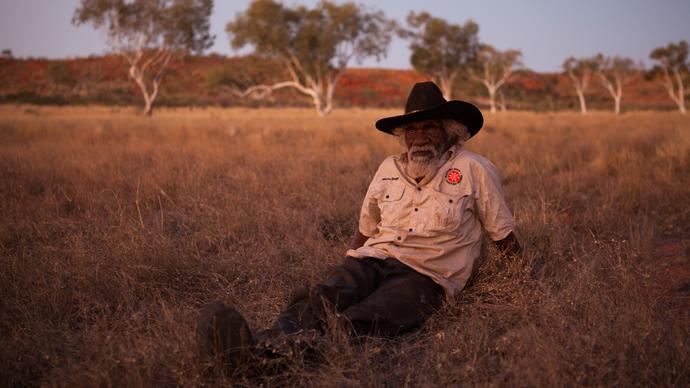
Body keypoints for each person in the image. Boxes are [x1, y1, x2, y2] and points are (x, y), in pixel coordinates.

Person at [197, 81, 520, 369]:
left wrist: (520, 284)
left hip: (427, 275)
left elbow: (501, 231)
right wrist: (346, 269)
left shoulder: (472, 168)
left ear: (450, 131)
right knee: (320, 298)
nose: (419, 138)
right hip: (373, 259)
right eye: (412, 130)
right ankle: (254, 347)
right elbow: (367, 227)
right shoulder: (388, 168)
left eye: (429, 128)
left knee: (363, 319)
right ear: (402, 136)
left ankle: (273, 364)